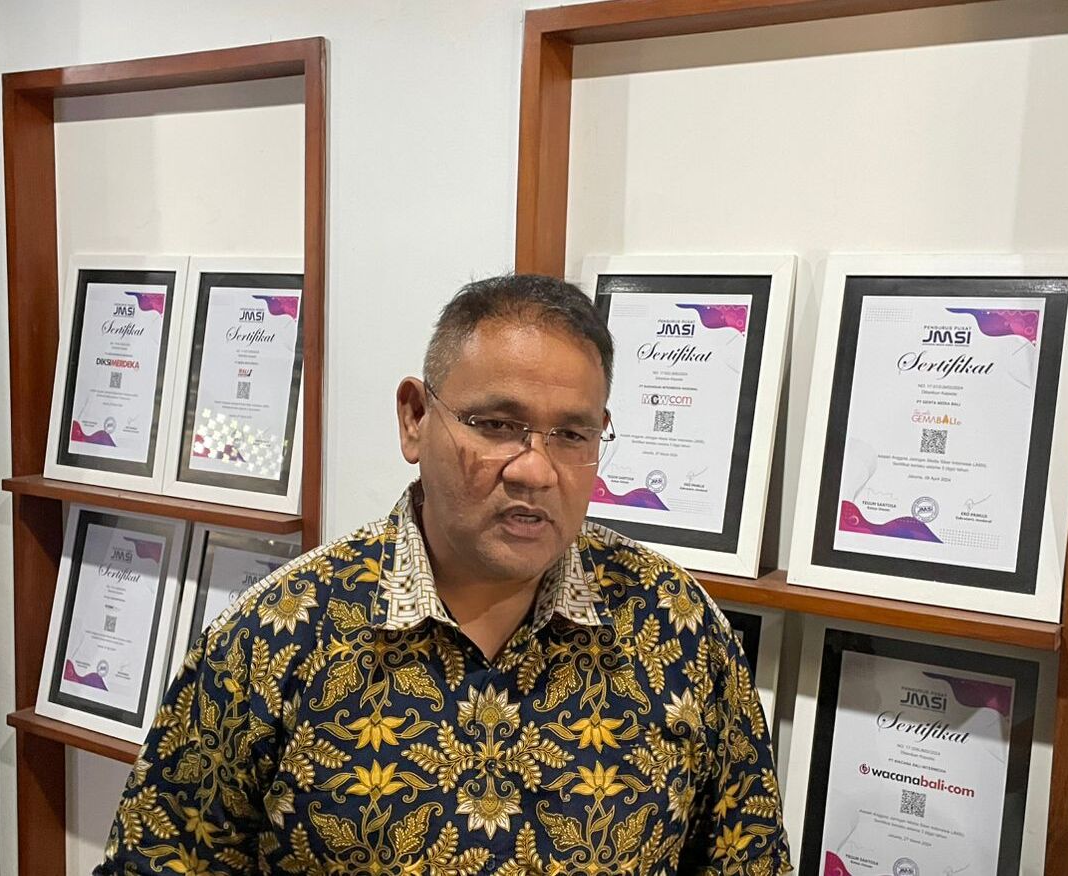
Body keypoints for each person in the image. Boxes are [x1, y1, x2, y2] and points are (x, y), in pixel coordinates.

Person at [94, 274, 791, 875]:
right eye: (496, 425)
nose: (535, 469)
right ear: (415, 418)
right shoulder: (273, 638)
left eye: (572, 435)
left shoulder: (678, 628)